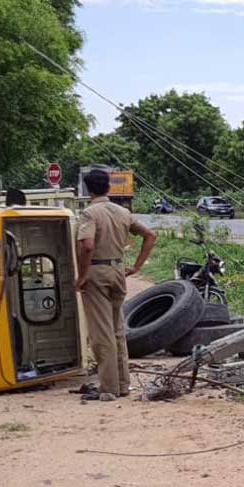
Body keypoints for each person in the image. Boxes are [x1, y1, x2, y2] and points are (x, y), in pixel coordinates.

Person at [75, 169, 157, 401]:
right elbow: (150, 235)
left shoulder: (89, 214)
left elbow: (88, 245)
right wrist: (137, 267)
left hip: (96, 272)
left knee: (101, 332)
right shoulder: (123, 212)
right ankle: (122, 384)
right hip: (118, 270)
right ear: (108, 187)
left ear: (87, 189)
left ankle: (108, 388)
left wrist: (82, 275)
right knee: (117, 329)